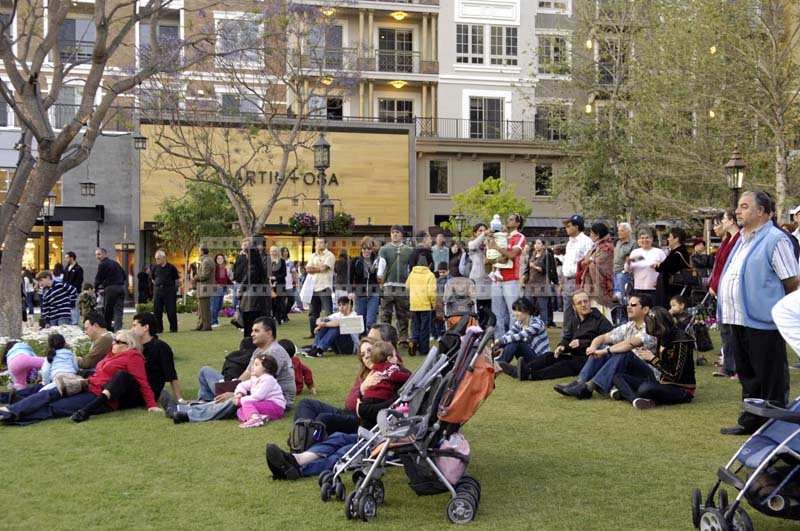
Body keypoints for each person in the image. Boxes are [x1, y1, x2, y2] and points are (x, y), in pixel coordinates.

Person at [718, 191, 798, 436]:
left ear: (762, 211)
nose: (738, 212)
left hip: (763, 320)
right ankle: (751, 421)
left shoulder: (776, 239)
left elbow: (792, 281)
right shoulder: (741, 239)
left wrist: (771, 306)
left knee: (770, 375)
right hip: (738, 319)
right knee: (748, 375)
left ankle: (776, 426)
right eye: (738, 207)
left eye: (744, 206)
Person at [0, 329, 160, 424]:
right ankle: (11, 410)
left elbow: (141, 382)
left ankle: (13, 418)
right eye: (114, 340)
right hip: (86, 385)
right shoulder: (111, 355)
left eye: (118, 342)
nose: (114, 344)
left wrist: (151, 404)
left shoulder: (133, 357)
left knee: (56, 407)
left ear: (129, 345)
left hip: (100, 396)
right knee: (49, 393)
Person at [554, 293, 657, 400]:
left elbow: (629, 344)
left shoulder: (651, 327)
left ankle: (589, 387)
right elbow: (602, 338)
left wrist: (604, 351)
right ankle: (580, 383)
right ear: (574, 307)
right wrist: (593, 347)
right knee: (602, 348)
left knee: (623, 352)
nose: (628, 307)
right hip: (624, 368)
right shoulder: (629, 326)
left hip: (647, 374)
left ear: (645, 309)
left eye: (633, 305)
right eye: (628, 304)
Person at [193, 316, 295, 407]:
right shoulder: (258, 350)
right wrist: (234, 388)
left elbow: (265, 385)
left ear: (269, 333)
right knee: (205, 371)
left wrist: (234, 395)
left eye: (256, 331)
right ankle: (205, 401)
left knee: (230, 401)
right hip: (254, 391)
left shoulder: (274, 352)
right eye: (252, 331)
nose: (252, 334)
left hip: (272, 400)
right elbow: (247, 374)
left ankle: (196, 411)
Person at [515, 291, 613, 381]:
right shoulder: (574, 320)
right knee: (550, 356)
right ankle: (525, 369)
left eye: (585, 301)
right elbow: (567, 338)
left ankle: (530, 375)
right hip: (575, 356)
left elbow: (609, 341)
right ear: (574, 307)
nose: (583, 305)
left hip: (591, 360)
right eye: (579, 303)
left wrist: (582, 343)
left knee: (564, 365)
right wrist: (561, 346)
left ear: (590, 302)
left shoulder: (600, 320)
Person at [611, 307, 696, 409]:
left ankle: (628, 393)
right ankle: (635, 400)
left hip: (681, 388)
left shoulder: (682, 341)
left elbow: (674, 375)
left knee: (645, 389)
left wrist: (652, 359)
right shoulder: (662, 336)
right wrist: (646, 355)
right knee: (618, 376)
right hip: (661, 382)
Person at [708, 210, 740, 377]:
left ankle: (736, 367)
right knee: (725, 329)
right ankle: (728, 366)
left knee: (734, 330)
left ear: (732, 221)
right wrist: (713, 285)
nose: (721, 223)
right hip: (721, 289)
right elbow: (718, 267)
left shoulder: (739, 240)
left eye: (724, 220)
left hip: (731, 290)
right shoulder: (727, 240)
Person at [487, 213, 525, 339]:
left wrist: (497, 247)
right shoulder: (501, 236)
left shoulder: (519, 237)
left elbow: (512, 254)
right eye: (508, 219)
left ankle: (513, 340)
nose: (508, 221)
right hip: (497, 279)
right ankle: (499, 341)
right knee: (497, 313)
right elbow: (490, 258)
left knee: (514, 313)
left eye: (511, 219)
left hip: (511, 280)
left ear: (518, 223)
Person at [357, 340, 410, 428]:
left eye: (370, 351)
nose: (367, 356)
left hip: (374, 420)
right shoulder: (369, 374)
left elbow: (362, 410)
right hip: (365, 416)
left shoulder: (388, 369)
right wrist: (362, 389)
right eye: (363, 354)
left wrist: (362, 407)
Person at [132, 312, 183, 401]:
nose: (132, 329)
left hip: (148, 390)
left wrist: (180, 399)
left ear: (145, 327)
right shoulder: (134, 346)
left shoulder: (161, 347)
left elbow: (171, 374)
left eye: (135, 326)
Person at [494, 297, 550, 377]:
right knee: (511, 341)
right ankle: (499, 364)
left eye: (519, 310)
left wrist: (501, 341)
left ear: (527, 311)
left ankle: (498, 365)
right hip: (529, 357)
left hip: (540, 359)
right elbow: (509, 334)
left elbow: (520, 336)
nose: (515, 313)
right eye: (515, 310)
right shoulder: (519, 323)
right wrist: (498, 344)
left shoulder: (537, 323)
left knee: (516, 340)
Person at [378, 225, 413, 348]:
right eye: (393, 233)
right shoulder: (384, 249)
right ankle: (385, 339)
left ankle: (403, 339)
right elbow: (381, 267)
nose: (395, 235)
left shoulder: (409, 250)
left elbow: (410, 268)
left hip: (403, 286)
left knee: (402, 314)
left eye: (397, 232)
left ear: (402, 235)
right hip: (388, 285)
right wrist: (380, 282)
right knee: (385, 314)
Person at [234, 353, 286, 428]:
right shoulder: (255, 379)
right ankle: (261, 417)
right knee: (240, 411)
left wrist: (241, 400)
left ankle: (255, 419)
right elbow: (242, 385)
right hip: (264, 405)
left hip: (275, 406)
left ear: (266, 368)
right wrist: (239, 393)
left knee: (247, 403)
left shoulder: (268, 379)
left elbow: (258, 396)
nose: (253, 367)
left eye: (256, 365)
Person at [561, 214, 594, 334]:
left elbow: (588, 262)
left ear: (577, 226)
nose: (566, 228)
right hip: (567, 279)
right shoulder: (570, 243)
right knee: (568, 311)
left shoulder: (586, 241)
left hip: (579, 280)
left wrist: (584, 282)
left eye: (569, 226)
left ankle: (581, 335)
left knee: (580, 310)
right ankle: (567, 337)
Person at [406, 254, 437, 356]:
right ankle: (423, 349)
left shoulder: (412, 273)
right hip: (425, 305)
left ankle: (413, 341)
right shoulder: (430, 275)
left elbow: (407, 286)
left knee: (415, 326)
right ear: (428, 264)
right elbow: (431, 292)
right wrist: (433, 304)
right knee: (425, 328)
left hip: (414, 305)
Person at [581, 222, 614, 316]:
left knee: (602, 313)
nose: (590, 235)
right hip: (592, 283)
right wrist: (588, 260)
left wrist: (590, 260)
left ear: (597, 234)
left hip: (602, 284)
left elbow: (600, 262)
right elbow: (586, 260)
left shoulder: (606, 245)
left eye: (591, 233)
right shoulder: (596, 245)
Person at [306, 237, 336, 339]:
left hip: (324, 287)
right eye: (317, 243)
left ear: (326, 244)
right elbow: (308, 269)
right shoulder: (313, 255)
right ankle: (313, 333)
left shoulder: (330, 255)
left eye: (321, 243)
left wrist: (314, 268)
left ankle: (329, 333)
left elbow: (324, 268)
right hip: (313, 287)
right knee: (312, 313)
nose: (319, 245)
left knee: (328, 313)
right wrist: (318, 268)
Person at [655, 227, 692, 308]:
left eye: (670, 237)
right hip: (675, 290)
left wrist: (658, 265)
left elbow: (664, 267)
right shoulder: (679, 251)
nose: (668, 239)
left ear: (676, 239)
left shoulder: (677, 253)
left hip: (673, 291)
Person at [625, 228, 666, 301]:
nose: (644, 240)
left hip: (655, 288)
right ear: (638, 240)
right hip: (638, 287)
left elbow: (667, 268)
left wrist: (659, 266)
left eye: (647, 238)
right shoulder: (635, 252)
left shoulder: (659, 252)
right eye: (642, 238)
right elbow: (627, 269)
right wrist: (628, 263)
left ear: (652, 239)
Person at [350, 238, 380, 332]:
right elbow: (350, 277)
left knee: (370, 321)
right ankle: (362, 341)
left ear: (372, 249)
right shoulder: (356, 261)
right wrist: (350, 291)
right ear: (361, 249)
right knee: (360, 320)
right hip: (360, 294)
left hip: (373, 294)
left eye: (369, 248)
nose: (366, 251)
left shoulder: (377, 261)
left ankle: (371, 340)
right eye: (364, 248)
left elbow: (380, 277)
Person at [525, 239, 558, 324]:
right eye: (535, 243)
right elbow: (527, 269)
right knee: (528, 304)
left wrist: (535, 266)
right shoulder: (532, 254)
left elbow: (547, 270)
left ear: (543, 245)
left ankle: (543, 324)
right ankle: (530, 323)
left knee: (542, 306)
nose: (536, 245)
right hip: (531, 283)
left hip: (542, 283)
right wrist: (524, 278)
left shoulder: (547, 255)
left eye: (539, 243)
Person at [94, 247, 127, 332]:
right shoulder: (115, 263)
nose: (97, 257)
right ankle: (118, 330)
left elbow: (98, 278)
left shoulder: (102, 264)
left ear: (105, 254)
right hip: (120, 288)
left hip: (110, 289)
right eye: (96, 255)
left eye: (99, 254)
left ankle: (107, 329)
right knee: (118, 311)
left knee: (108, 311)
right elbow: (124, 275)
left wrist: (96, 289)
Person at [467, 223, 493, 325]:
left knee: (488, 309)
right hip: (477, 281)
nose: (482, 233)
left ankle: (487, 330)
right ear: (475, 233)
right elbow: (473, 245)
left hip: (489, 281)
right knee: (478, 308)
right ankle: (477, 331)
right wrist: (484, 235)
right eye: (480, 231)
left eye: (484, 230)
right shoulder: (472, 245)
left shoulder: (489, 244)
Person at [612, 222, 636, 325]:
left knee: (624, 299)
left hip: (624, 274)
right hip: (614, 273)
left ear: (628, 232)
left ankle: (625, 322)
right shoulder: (618, 243)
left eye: (621, 230)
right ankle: (618, 322)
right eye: (619, 230)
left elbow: (631, 259)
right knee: (616, 299)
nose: (619, 233)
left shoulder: (633, 244)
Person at [151, 250, 180, 334]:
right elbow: (153, 279)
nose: (157, 260)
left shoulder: (171, 268)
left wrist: (174, 289)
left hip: (169, 291)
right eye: (156, 259)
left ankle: (173, 328)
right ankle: (159, 329)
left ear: (164, 258)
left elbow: (176, 280)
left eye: (158, 259)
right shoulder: (154, 268)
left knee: (171, 311)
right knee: (157, 311)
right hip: (158, 291)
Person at [194, 245, 215, 331]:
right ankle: (201, 324)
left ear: (202, 251)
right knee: (201, 308)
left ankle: (206, 326)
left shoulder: (206, 261)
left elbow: (205, 276)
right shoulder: (207, 260)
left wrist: (196, 277)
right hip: (204, 287)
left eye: (199, 250)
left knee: (204, 308)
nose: (198, 252)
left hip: (205, 287)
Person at [210, 253, 232, 328]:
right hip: (216, 288)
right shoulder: (215, 268)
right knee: (215, 305)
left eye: (221, 258)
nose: (220, 260)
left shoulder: (223, 268)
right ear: (216, 260)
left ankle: (215, 319)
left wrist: (232, 283)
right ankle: (213, 321)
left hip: (222, 288)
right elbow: (212, 278)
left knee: (219, 305)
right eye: (218, 258)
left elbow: (225, 278)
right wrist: (216, 284)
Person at [63, 251, 84, 325]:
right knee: (69, 308)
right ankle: (70, 322)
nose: (65, 259)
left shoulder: (78, 269)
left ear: (72, 258)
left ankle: (75, 323)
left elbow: (79, 281)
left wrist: (72, 289)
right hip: (66, 291)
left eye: (67, 258)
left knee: (74, 307)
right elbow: (64, 280)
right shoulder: (66, 268)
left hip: (75, 292)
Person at [268, 246, 287, 325]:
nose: (273, 253)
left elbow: (284, 273)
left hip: (280, 284)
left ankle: (279, 318)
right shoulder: (267, 261)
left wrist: (275, 278)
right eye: (272, 251)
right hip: (269, 284)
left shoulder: (282, 261)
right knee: (271, 302)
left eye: (275, 251)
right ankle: (272, 318)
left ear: (278, 252)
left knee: (280, 302)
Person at [281, 247, 298, 320]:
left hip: (289, 284)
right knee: (282, 301)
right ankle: (282, 316)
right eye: (284, 251)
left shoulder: (290, 262)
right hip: (281, 284)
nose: (285, 253)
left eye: (287, 251)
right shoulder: (279, 261)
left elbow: (294, 273)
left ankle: (285, 314)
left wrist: (296, 281)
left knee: (291, 300)